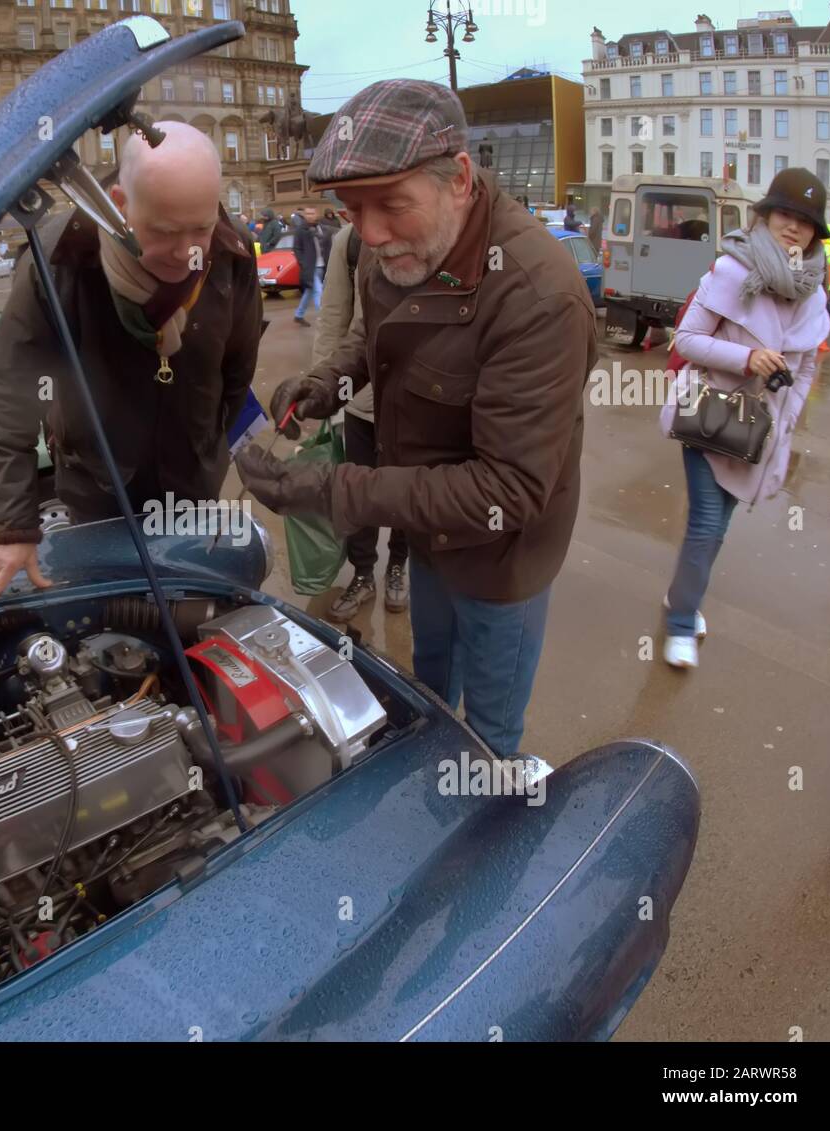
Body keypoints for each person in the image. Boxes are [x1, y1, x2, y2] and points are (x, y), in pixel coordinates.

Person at [235, 79, 598, 756]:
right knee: (430, 692)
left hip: (499, 562)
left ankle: (482, 824)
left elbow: (509, 490)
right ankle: (433, 786)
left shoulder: (537, 294)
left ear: (459, 178)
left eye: (392, 206)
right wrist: (324, 385)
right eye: (351, 207)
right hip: (429, 533)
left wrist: (326, 489)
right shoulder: (396, 247)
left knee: (487, 734)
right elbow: (378, 341)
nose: (369, 234)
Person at [0, 121, 262, 605]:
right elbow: (9, 390)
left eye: (201, 229)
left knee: (186, 610)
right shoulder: (59, 258)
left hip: (192, 486)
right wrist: (12, 526)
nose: (187, 252)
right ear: (121, 204)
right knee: (112, 620)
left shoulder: (232, 253)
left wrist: (208, 448)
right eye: (165, 231)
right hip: (96, 489)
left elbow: (237, 369)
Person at [658, 168, 830, 669]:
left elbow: (802, 371)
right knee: (708, 525)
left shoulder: (814, 296)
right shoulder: (732, 271)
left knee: (719, 528)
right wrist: (747, 359)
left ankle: (679, 597)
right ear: (765, 215)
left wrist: (785, 422)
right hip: (710, 415)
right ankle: (682, 622)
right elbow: (685, 341)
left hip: (759, 430)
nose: (794, 227)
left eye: (805, 221)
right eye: (785, 214)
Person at [313, 219, 409, 619]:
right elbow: (334, 318)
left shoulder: (427, 234)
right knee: (359, 495)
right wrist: (322, 391)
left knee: (406, 494)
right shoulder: (348, 242)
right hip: (360, 402)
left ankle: (398, 567)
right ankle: (364, 573)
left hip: (412, 407)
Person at [292, 206, 333, 326]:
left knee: (310, 291)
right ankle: (324, 320)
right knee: (318, 291)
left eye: (312, 213)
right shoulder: (301, 230)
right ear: (304, 215)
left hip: (322, 265)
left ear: (317, 214)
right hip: (310, 267)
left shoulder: (322, 228)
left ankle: (299, 315)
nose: (310, 216)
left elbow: (327, 246)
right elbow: (296, 248)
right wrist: (303, 263)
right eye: (308, 213)